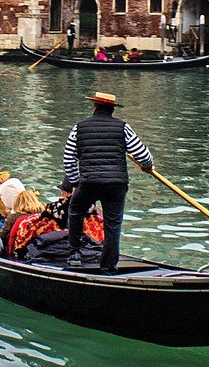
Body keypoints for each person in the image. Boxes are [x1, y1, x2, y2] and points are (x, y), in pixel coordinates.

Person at [63, 92, 154, 273]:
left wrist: (75, 182)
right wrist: (148, 165)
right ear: (112, 110)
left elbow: (68, 158)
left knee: (75, 210)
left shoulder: (79, 127)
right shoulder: (123, 127)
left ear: (95, 107)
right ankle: (109, 266)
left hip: (89, 182)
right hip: (116, 184)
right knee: (112, 224)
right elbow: (143, 154)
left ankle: (74, 253)